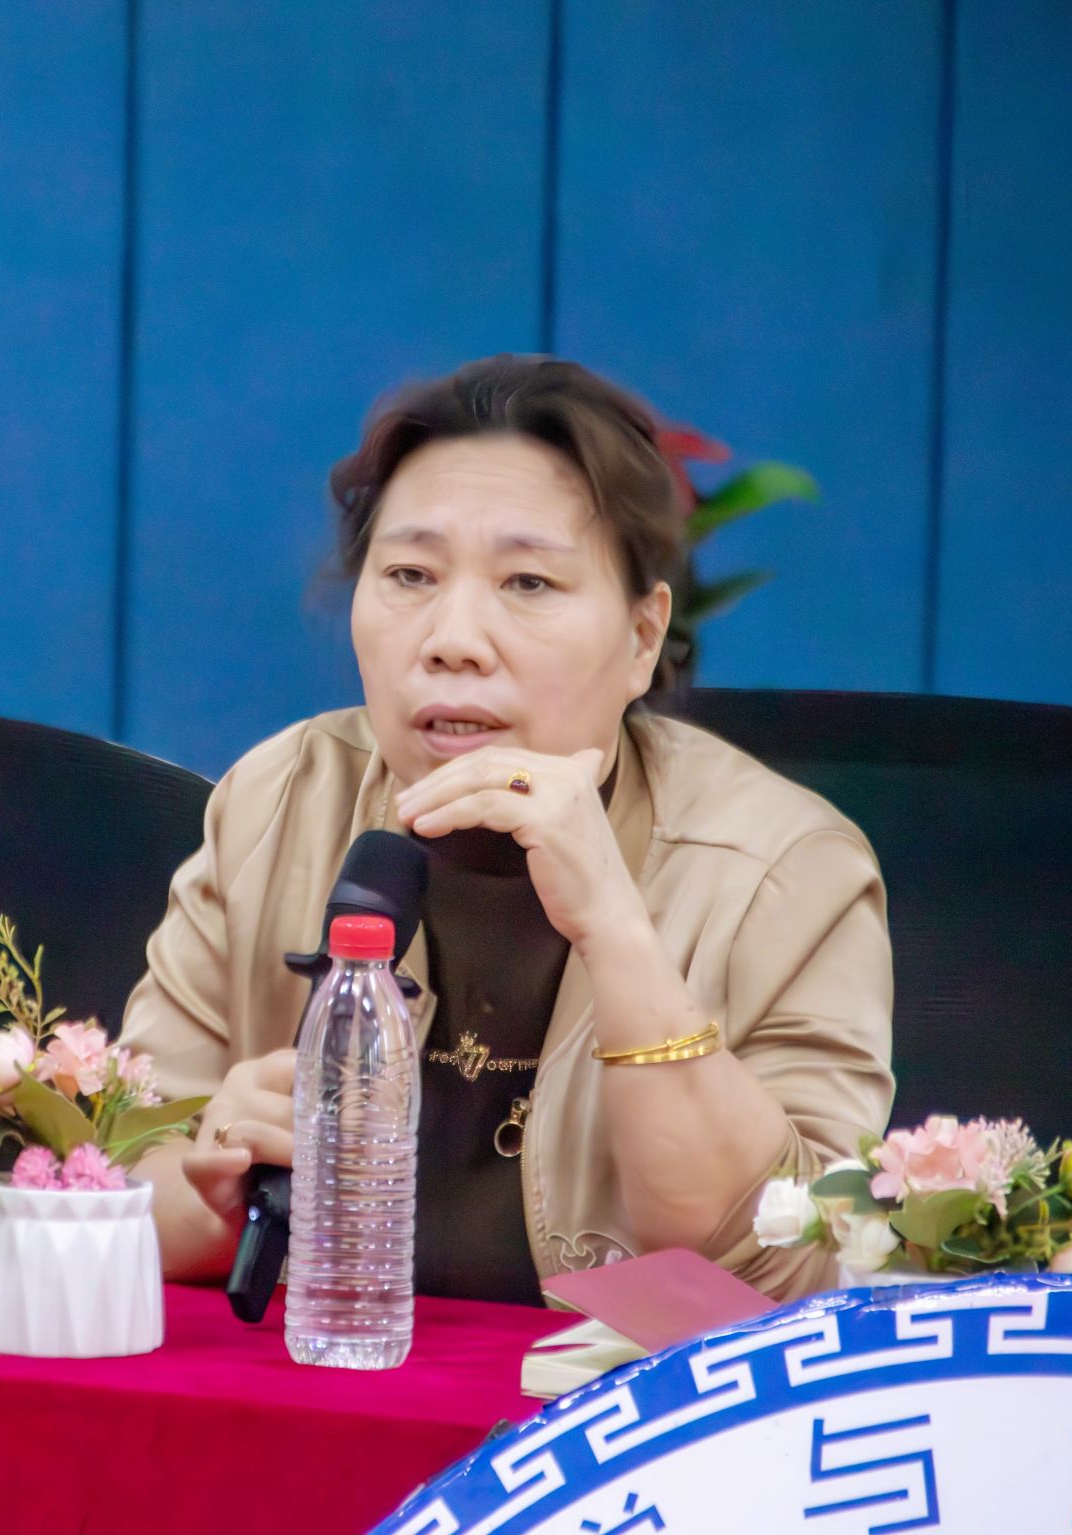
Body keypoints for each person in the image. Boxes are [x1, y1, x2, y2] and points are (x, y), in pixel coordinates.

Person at [122, 356, 893, 1302]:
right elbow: (112, 1188)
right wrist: (217, 1182)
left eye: (528, 582)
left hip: (616, 1399)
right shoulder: (278, 801)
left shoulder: (787, 869)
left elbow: (798, 1267)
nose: (453, 640)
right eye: (409, 574)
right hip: (337, 1369)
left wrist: (615, 929)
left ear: (642, 638)